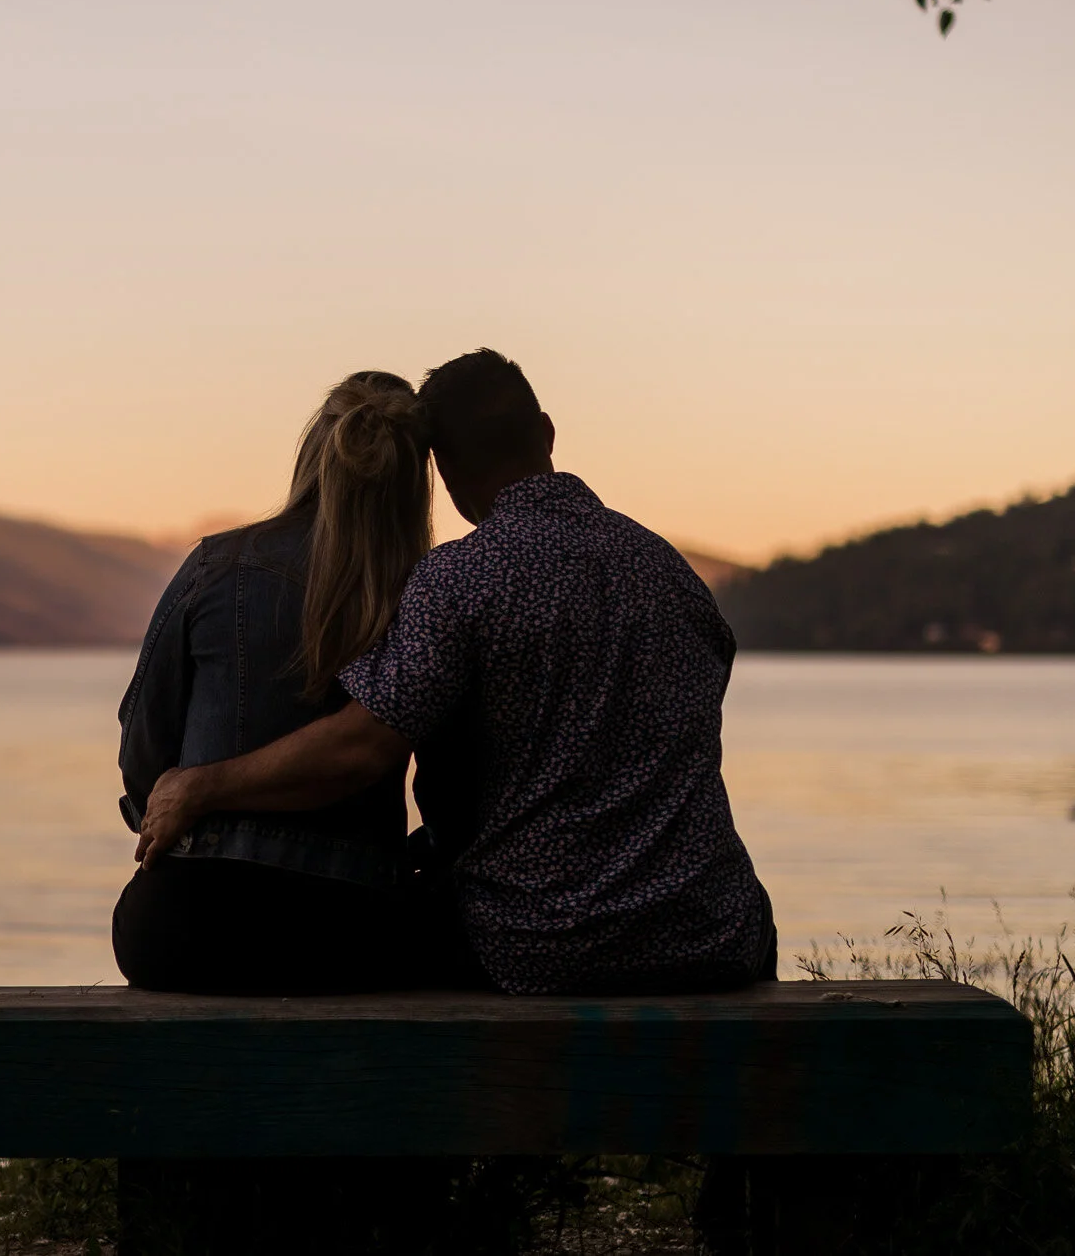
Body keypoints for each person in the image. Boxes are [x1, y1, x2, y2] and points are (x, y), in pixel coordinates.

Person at [135, 348, 776, 994]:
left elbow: (361, 747)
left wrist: (198, 788)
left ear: (442, 468)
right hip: (715, 935)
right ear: (548, 431)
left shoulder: (462, 579)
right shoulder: (674, 576)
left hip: (539, 945)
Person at [112, 370, 431, 993]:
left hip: (185, 925)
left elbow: (142, 753)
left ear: (313, 455)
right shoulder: (428, 595)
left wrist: (177, 809)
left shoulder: (219, 565)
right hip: (353, 931)